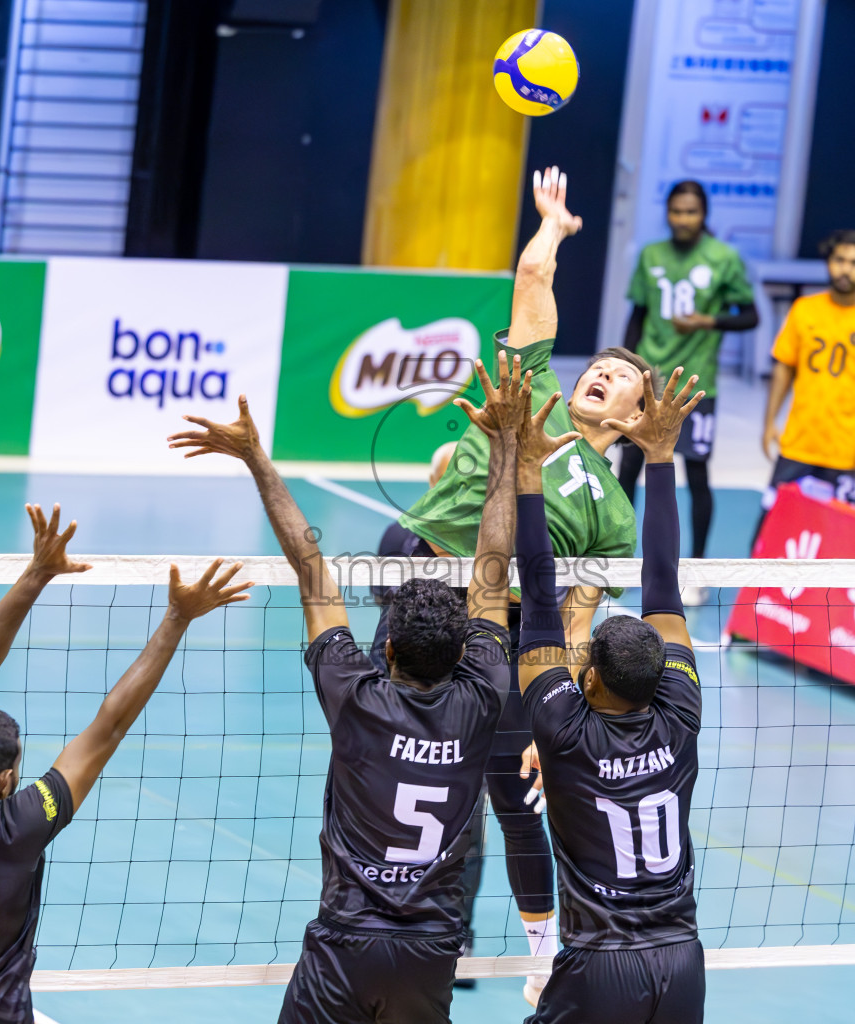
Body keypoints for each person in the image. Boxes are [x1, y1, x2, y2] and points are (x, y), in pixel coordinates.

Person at [166, 355, 565, 1024]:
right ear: (469, 650)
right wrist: (506, 447)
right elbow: (494, 568)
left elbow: (310, 565)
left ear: (384, 649)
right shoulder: (483, 696)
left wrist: (256, 459)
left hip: (345, 945)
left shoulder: (356, 695)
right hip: (431, 949)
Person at [389, 166, 649, 1003]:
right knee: (412, 757)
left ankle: (543, 952)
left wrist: (557, 711)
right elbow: (533, 284)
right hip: (423, 573)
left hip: (497, 621)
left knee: (513, 792)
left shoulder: (614, 516)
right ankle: (408, 918)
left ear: (635, 420)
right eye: (598, 366)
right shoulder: (531, 387)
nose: (599, 374)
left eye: (621, 380)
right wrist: (553, 226)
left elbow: (578, 621)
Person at [0, 504, 251, 1023]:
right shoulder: (11, 834)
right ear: (5, 781)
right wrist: (176, 618)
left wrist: (35, 573)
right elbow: (109, 727)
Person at [514, 366, 708, 1023]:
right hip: (683, 961)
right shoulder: (681, 712)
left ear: (588, 679)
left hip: (600, 966)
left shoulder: (564, 734)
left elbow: (539, 600)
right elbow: (664, 586)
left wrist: (528, 474)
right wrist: (661, 455)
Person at [619, 180, 759, 567]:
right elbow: (638, 316)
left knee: (696, 473)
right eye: (676, 211)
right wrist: (625, 367)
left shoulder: (723, 257)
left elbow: (751, 316)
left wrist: (706, 320)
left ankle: (695, 563)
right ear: (667, 212)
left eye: (691, 212)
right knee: (628, 467)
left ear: (704, 215)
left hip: (697, 386)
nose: (683, 219)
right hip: (650, 382)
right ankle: (618, 555)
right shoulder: (651, 255)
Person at [758, 229, 855, 541]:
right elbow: (784, 367)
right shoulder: (804, 309)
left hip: (847, 451)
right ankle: (762, 592)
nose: (845, 269)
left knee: (838, 541)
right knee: (769, 532)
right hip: (798, 443)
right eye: (839, 260)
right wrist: (770, 421)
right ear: (828, 264)